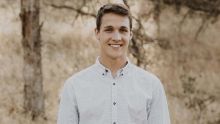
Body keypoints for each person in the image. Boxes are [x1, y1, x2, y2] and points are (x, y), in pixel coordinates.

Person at [57, 3, 170, 124]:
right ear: (97, 33)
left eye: (123, 30)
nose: (116, 37)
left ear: (130, 34)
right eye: (109, 30)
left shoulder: (151, 86)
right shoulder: (74, 87)